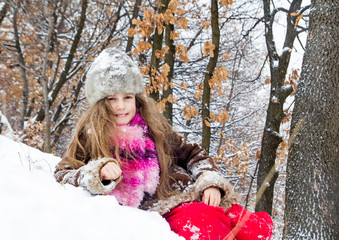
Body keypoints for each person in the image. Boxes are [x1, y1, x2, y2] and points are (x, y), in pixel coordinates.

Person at [54, 48, 273, 240]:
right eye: (112, 99)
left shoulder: (154, 128)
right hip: (160, 211)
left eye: (127, 97)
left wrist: (209, 181)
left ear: (137, 98)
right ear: (101, 102)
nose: (121, 106)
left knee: (257, 229)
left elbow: (193, 153)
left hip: (185, 193)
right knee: (207, 226)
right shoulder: (90, 135)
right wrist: (97, 172)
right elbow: (63, 173)